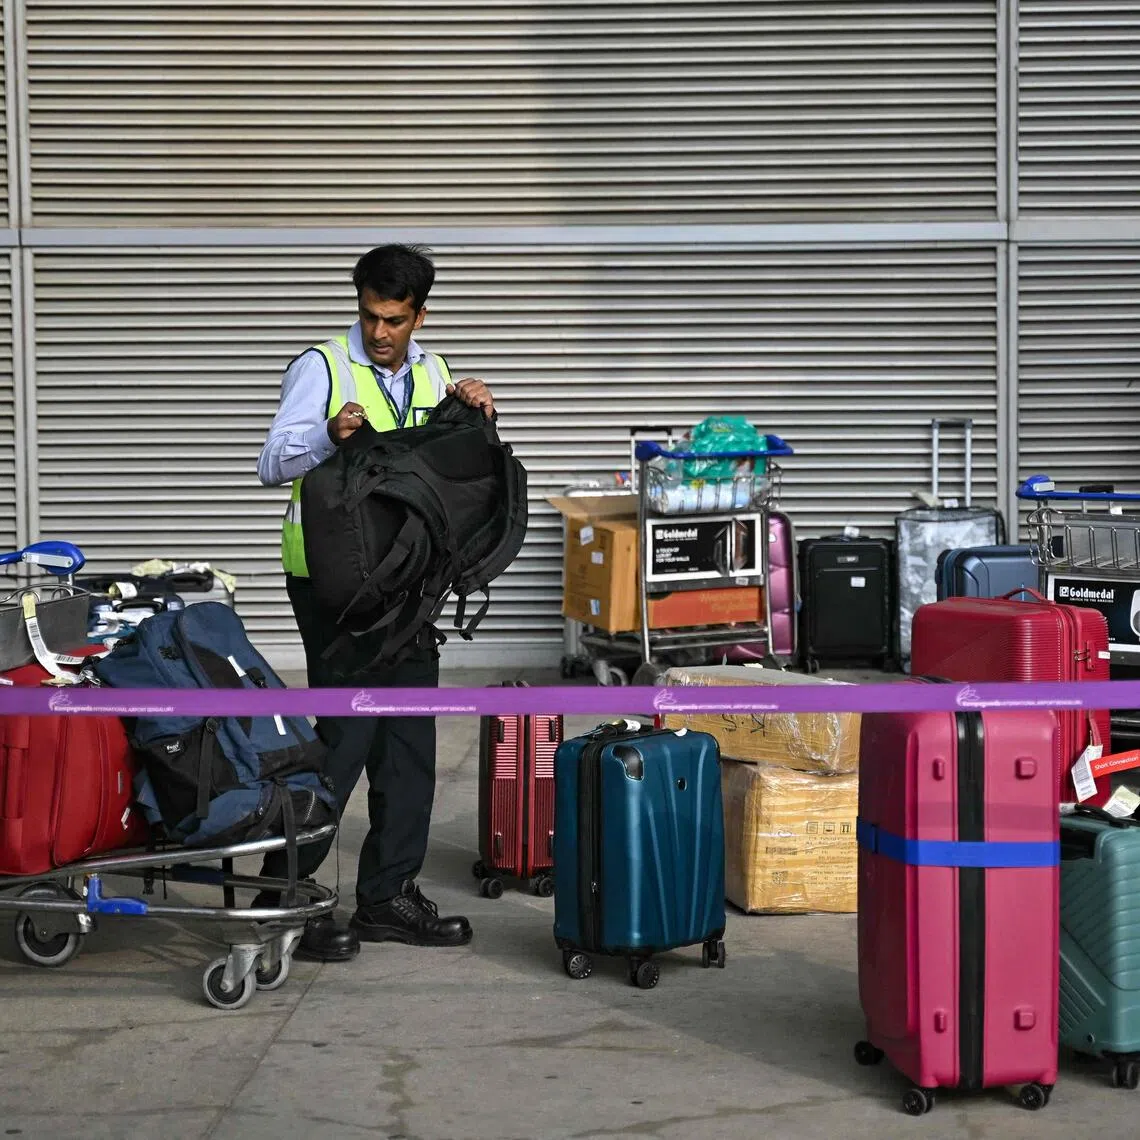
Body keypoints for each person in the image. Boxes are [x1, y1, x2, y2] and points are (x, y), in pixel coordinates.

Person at [255, 244, 495, 962]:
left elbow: (452, 469)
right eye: (368, 316)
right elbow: (270, 462)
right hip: (333, 586)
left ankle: (387, 897)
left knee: (409, 743)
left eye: (393, 319)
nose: (378, 331)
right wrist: (329, 436)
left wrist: (475, 412)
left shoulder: (437, 372)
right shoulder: (323, 367)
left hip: (407, 586)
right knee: (342, 742)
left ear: (421, 314)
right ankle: (283, 902)